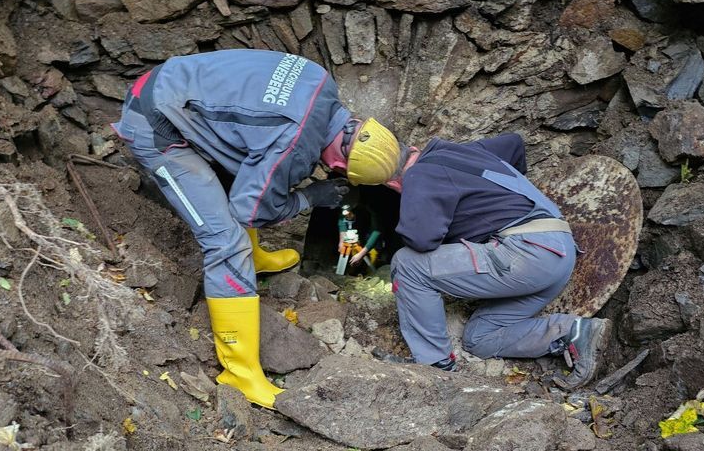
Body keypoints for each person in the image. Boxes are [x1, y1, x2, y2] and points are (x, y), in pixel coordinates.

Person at [111, 49, 400, 407]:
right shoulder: (293, 144)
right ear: (341, 162)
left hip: (175, 84)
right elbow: (250, 211)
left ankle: (257, 259)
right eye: (342, 172)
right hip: (156, 125)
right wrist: (311, 197)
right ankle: (241, 373)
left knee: (250, 169)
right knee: (226, 243)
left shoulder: (321, 80)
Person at [349, 127, 612, 388]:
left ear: (391, 183)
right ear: (408, 147)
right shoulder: (462, 151)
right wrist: (496, 203)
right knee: (480, 338)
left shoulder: (418, 175)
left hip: (526, 252)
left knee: (407, 264)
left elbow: (422, 240)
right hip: (557, 253)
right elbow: (514, 143)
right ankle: (574, 332)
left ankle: (435, 366)